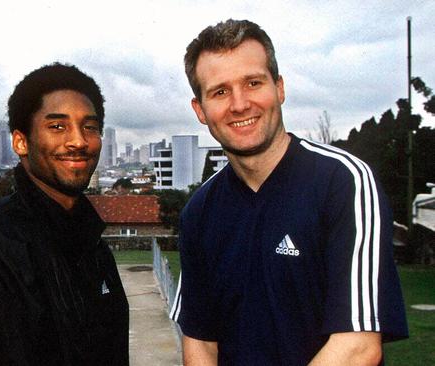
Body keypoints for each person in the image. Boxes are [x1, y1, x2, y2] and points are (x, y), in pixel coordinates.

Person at [169, 19, 408, 365]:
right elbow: (201, 346)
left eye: (253, 83)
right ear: (200, 110)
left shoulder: (343, 182)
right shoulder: (198, 213)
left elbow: (358, 347)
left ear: (279, 88)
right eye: (220, 92)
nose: (239, 104)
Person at [0, 63, 129, 365]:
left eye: (89, 127)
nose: (78, 141)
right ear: (20, 142)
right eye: (57, 126)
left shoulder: (93, 247)